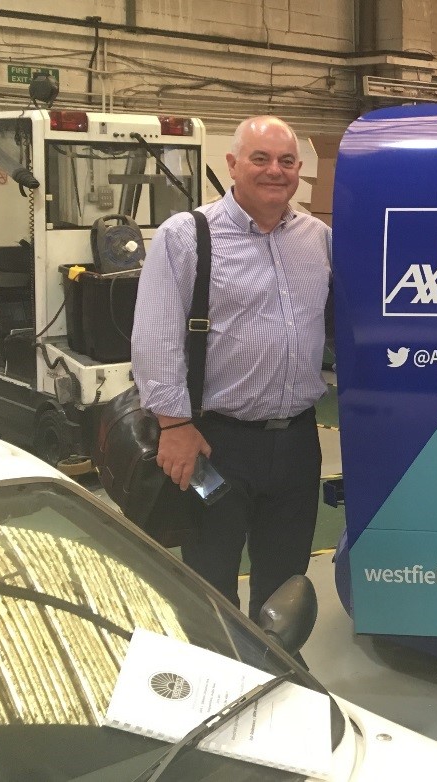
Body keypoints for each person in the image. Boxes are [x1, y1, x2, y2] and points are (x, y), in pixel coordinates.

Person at [131, 115, 332, 623]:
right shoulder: (187, 236)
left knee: (286, 577)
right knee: (211, 575)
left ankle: (277, 668)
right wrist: (174, 425)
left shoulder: (318, 239)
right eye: (260, 158)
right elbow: (154, 337)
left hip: (296, 443)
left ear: (299, 170)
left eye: (286, 161)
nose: (275, 171)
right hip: (215, 443)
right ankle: (219, 674)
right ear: (233, 165)